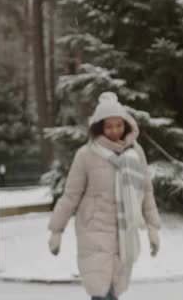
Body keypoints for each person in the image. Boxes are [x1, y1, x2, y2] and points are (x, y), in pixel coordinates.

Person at [47, 92, 161, 300]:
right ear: (99, 127)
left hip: (124, 231)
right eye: (109, 127)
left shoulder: (136, 153)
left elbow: (146, 190)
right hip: (94, 229)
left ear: (126, 124)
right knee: (101, 291)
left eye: (118, 125)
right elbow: (71, 195)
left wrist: (153, 227)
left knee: (114, 290)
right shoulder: (86, 154)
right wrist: (56, 230)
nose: (114, 131)